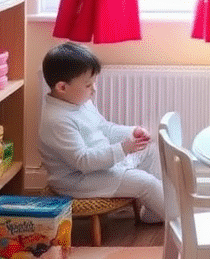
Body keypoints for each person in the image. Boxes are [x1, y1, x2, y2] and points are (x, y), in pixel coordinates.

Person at [38, 41, 165, 222]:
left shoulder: (79, 102)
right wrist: (123, 149)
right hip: (79, 180)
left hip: (101, 167)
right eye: (88, 85)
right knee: (146, 182)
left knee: (151, 148)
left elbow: (105, 128)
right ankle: (179, 220)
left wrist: (132, 132)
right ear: (62, 87)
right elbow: (82, 161)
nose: (94, 90)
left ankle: (155, 211)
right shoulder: (57, 120)